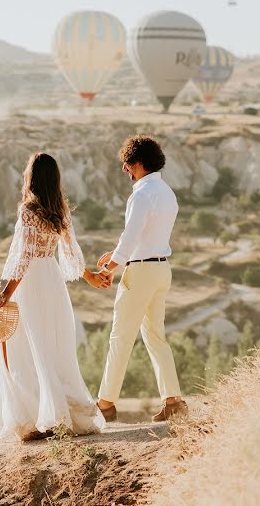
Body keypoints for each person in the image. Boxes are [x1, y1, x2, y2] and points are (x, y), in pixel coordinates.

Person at [0, 152, 109, 441]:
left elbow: (24, 257)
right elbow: (70, 251)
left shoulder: (28, 211)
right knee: (52, 348)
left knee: (24, 349)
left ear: (31, 177)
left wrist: (5, 294)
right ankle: (55, 415)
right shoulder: (60, 211)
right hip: (52, 282)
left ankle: (34, 419)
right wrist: (90, 275)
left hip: (31, 284)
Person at [92, 135, 188, 423]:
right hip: (161, 269)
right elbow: (144, 237)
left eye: (127, 164)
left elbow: (132, 235)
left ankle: (105, 405)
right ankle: (173, 401)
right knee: (156, 336)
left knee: (120, 336)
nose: (125, 170)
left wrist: (110, 267)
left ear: (139, 162)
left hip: (142, 272)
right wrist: (118, 255)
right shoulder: (167, 192)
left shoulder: (141, 194)